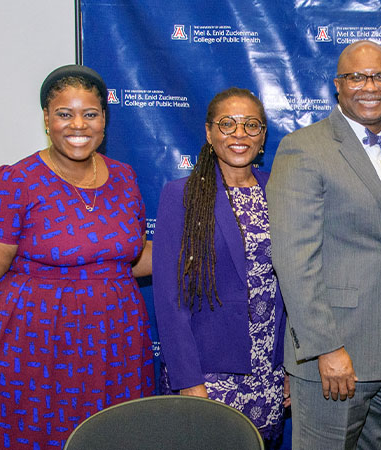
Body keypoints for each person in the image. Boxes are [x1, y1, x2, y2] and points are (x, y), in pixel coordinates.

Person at [0, 65, 154, 448]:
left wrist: (196, 253)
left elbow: (123, 256)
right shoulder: (15, 182)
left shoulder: (125, 177)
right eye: (64, 114)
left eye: (90, 114)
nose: (78, 124)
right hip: (36, 348)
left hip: (117, 344)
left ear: (104, 119)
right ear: (46, 118)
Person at [267, 40, 381, 449]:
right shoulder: (304, 148)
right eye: (357, 77)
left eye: (380, 76)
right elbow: (294, 260)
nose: (369, 86)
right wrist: (327, 347)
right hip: (335, 356)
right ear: (337, 86)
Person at [153, 87, 287, 448]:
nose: (239, 133)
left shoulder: (281, 189)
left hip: (268, 373)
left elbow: (294, 287)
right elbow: (169, 299)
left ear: (263, 138)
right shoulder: (181, 195)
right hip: (209, 374)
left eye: (251, 125)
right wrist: (188, 380)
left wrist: (292, 366)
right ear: (209, 133)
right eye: (227, 124)